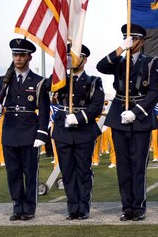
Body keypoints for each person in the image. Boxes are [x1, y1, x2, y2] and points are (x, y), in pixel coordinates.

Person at [96, 24, 158, 221]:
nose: (130, 41)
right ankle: (127, 207)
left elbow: (153, 92)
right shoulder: (119, 61)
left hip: (139, 118)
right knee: (123, 165)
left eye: (133, 38)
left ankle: (138, 207)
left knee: (138, 165)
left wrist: (136, 112)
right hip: (119, 117)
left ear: (141, 41)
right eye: (126, 37)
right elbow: (101, 66)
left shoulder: (150, 63)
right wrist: (119, 49)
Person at [0, 38, 50, 221]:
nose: (18, 59)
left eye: (21, 55)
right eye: (15, 55)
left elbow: (44, 110)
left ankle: (29, 207)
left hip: (29, 131)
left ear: (29, 57)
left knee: (30, 172)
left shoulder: (38, 81)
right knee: (13, 172)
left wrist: (42, 133)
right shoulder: (5, 80)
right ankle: (17, 206)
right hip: (10, 131)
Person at [48, 44, 104, 220]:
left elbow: (96, 106)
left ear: (85, 59)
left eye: (76, 56)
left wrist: (79, 117)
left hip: (83, 131)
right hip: (63, 130)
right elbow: (45, 87)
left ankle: (83, 206)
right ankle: (72, 208)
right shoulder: (61, 80)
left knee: (83, 170)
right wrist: (61, 71)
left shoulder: (93, 81)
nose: (72, 59)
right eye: (69, 56)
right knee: (67, 171)